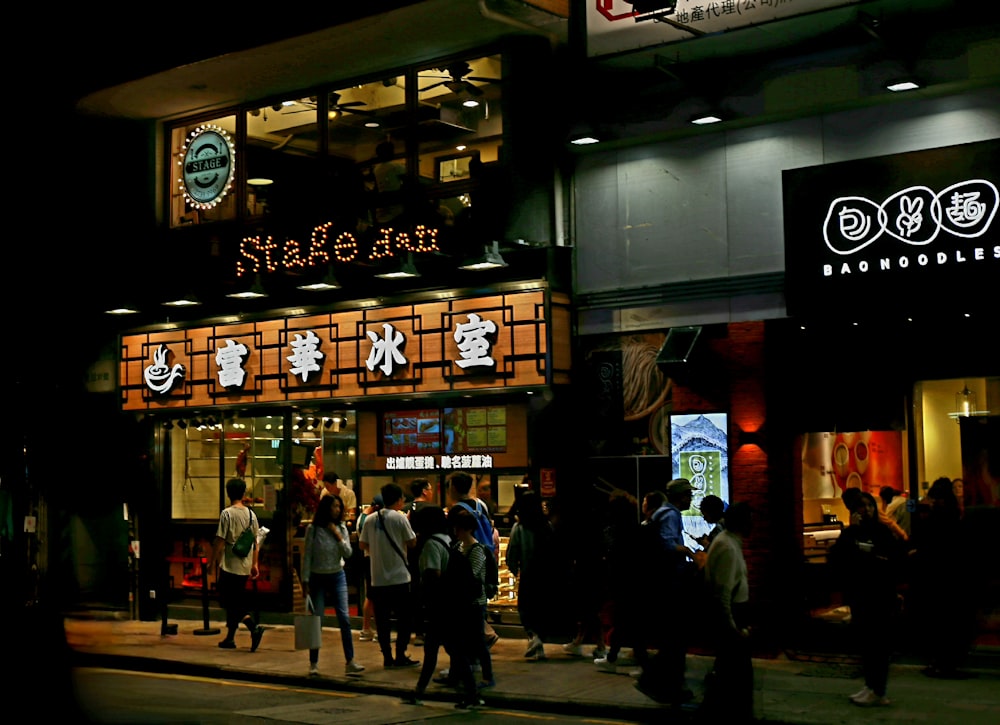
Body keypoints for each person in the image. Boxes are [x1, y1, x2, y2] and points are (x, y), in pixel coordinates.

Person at [829, 491, 905, 707]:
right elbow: (838, 558)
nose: (867, 510)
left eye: (870, 505)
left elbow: (895, 559)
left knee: (879, 644)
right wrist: (851, 530)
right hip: (859, 595)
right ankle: (870, 685)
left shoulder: (882, 532)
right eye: (862, 506)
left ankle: (879, 690)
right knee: (866, 644)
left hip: (880, 596)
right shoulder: (852, 533)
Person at [633, 479, 703, 705]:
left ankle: (661, 682)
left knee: (672, 638)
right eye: (688, 495)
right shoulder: (671, 514)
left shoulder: (661, 512)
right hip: (669, 583)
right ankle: (663, 684)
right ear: (680, 496)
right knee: (675, 638)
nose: (690, 499)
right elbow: (667, 545)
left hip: (660, 582)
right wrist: (690, 553)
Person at [909, 477, 975, 679]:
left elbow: (928, 546)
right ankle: (947, 662)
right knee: (950, 621)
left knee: (939, 621)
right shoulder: (956, 517)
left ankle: (940, 662)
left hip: (937, 578)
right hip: (953, 578)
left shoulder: (935, 518)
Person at [700, 501, 754, 722]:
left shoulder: (730, 543)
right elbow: (722, 595)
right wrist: (734, 629)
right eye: (750, 519)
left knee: (729, 678)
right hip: (731, 620)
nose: (754, 524)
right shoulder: (727, 547)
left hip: (735, 617)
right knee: (735, 679)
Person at [301, 494, 365, 677]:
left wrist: (337, 535)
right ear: (326, 508)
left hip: (337, 574)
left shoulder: (341, 528)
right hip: (317, 577)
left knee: (344, 618)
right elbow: (308, 556)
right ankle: (313, 663)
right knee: (317, 620)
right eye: (334, 506)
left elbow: (348, 553)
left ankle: (350, 661)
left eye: (339, 507)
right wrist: (305, 580)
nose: (337, 510)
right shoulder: (313, 529)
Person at [359, 482, 420, 669]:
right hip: (400, 577)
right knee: (404, 620)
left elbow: (362, 545)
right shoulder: (400, 518)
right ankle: (400, 655)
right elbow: (411, 542)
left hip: (378, 578)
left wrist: (378, 549)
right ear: (399, 500)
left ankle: (387, 657)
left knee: (382, 621)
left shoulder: (370, 519)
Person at [211, 478, 264, 652]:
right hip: (245, 564)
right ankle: (230, 638)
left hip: (229, 565)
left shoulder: (227, 514)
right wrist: (255, 564)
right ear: (243, 494)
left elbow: (220, 540)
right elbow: (256, 543)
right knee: (236, 599)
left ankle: (252, 627)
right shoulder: (251, 515)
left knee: (228, 600)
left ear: (228, 493)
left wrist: (213, 561)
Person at [448, 505, 496, 695]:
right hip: (461, 601)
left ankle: (487, 676)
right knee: (463, 641)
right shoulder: (458, 547)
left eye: (458, 528)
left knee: (477, 641)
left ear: (467, 529)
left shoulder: (476, 549)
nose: (455, 532)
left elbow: (472, 576)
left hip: (474, 602)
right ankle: (461, 674)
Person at [505, 489, 557, 660]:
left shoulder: (519, 528)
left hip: (528, 574)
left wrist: (515, 570)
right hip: (547, 575)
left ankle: (533, 637)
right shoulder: (546, 525)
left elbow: (512, 553)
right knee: (542, 609)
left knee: (526, 609)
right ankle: (538, 644)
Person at [594, 491, 642, 673]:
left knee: (623, 619)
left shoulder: (614, 532)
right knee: (629, 620)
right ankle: (632, 656)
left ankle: (617, 657)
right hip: (633, 582)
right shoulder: (636, 529)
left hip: (621, 581)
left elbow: (610, 555)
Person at [356, 494, 383, 642]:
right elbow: (365, 542)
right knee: (373, 595)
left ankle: (368, 629)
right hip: (370, 558)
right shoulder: (367, 520)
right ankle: (368, 629)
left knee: (372, 595)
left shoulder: (363, 518)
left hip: (368, 558)